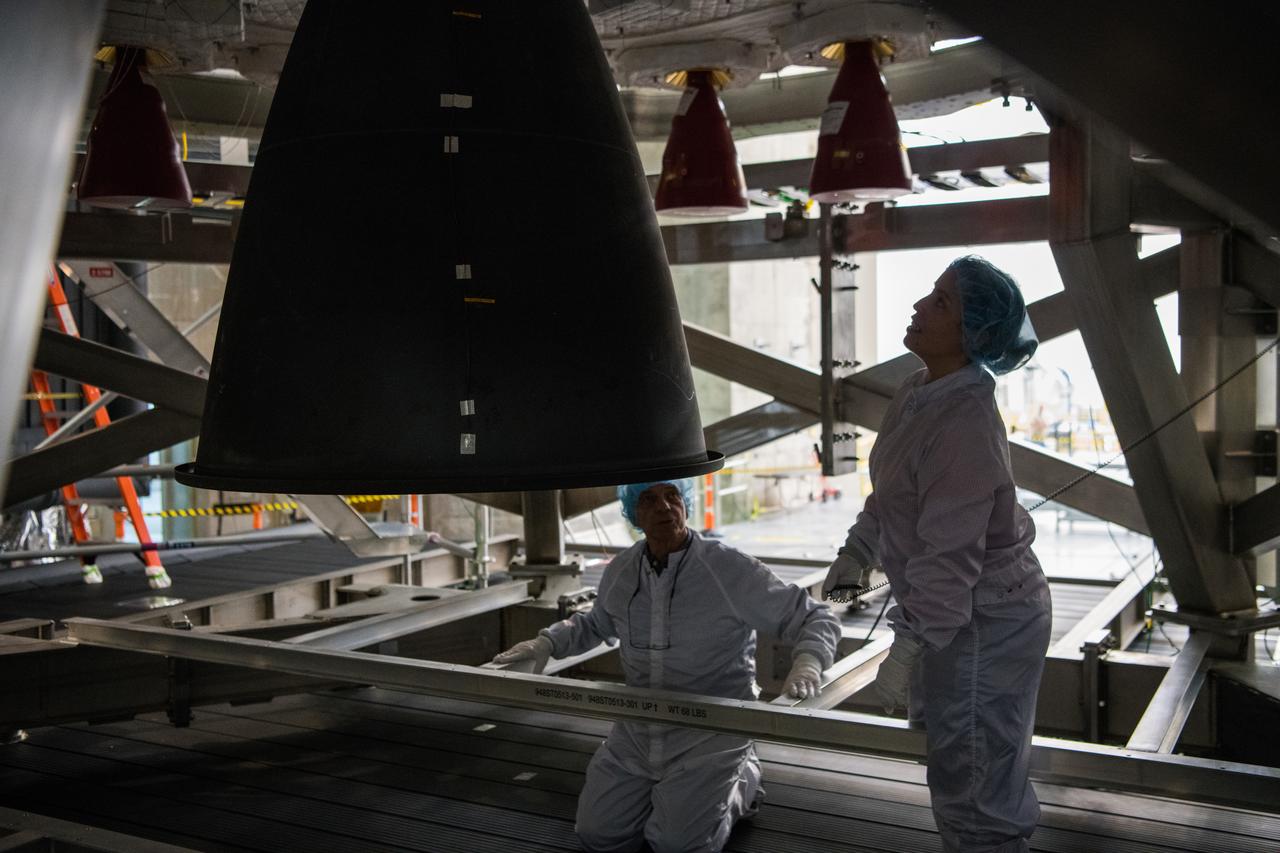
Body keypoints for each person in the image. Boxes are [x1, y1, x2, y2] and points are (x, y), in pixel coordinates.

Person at [824, 255, 1051, 853]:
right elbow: (896, 493)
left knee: (975, 776)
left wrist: (907, 645)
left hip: (987, 619)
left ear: (972, 334)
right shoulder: (920, 390)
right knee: (958, 760)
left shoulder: (964, 422)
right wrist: (859, 549)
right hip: (960, 613)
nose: (921, 306)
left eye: (941, 302)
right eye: (930, 294)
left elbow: (949, 556)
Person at [495, 478, 840, 853]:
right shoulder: (623, 570)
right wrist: (546, 643)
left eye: (672, 496)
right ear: (633, 513)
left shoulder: (727, 568)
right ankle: (673, 797)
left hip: (712, 732)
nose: (664, 507)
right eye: (649, 499)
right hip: (638, 730)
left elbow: (814, 617)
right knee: (599, 835)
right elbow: (596, 624)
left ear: (686, 504)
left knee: (677, 845)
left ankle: (744, 778)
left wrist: (808, 663)